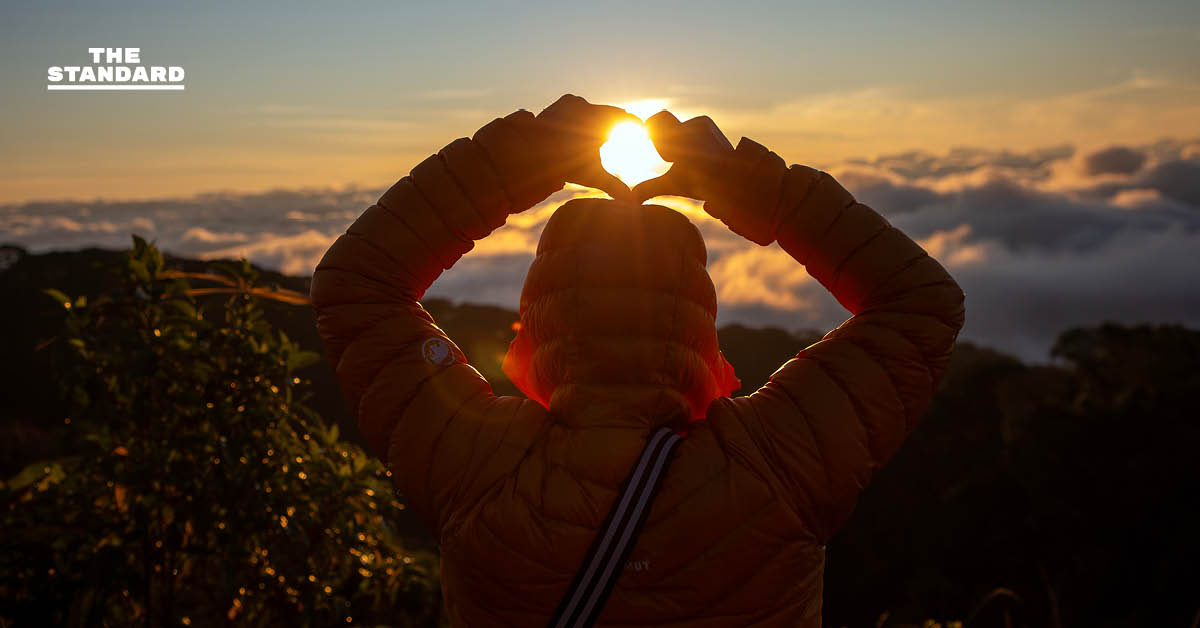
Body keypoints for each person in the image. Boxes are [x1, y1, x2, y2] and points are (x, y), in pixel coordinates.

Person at [311, 94, 965, 626]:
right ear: (697, 323)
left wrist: (519, 160)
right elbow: (920, 305)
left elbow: (357, 284)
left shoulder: (475, 471)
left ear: (540, 322)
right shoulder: (779, 466)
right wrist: (744, 184)